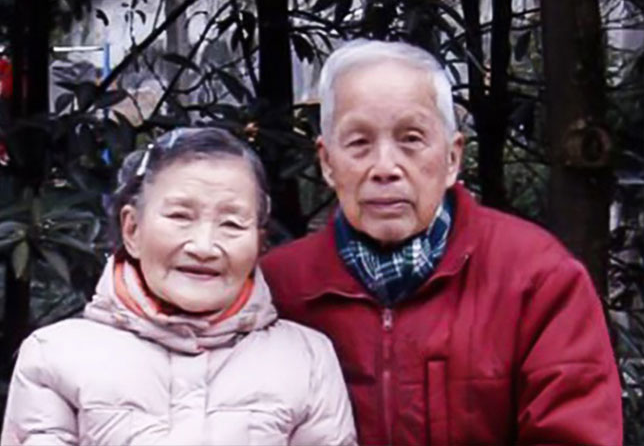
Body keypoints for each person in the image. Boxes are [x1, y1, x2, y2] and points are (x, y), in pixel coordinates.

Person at [261, 40, 622, 446]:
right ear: (327, 162)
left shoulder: (536, 277)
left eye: (411, 139)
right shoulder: (276, 291)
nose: (385, 168)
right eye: (359, 143)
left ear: (452, 158)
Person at [0, 127, 356, 446]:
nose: (203, 246)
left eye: (232, 223)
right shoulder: (55, 356)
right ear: (132, 230)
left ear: (259, 242)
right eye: (180, 217)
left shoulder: (306, 358)